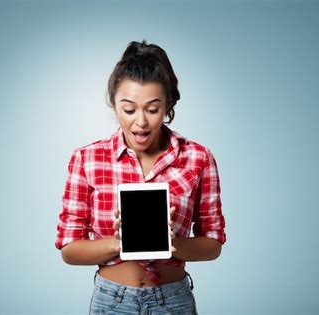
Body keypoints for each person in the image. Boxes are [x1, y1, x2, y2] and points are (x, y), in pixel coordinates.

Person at [55, 40, 227, 314]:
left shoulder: (198, 158)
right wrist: (120, 243)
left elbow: (213, 243)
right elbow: (69, 249)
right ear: (113, 104)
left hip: (173, 301)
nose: (141, 122)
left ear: (168, 103)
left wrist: (171, 243)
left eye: (152, 108)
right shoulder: (86, 159)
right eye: (129, 108)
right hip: (113, 302)